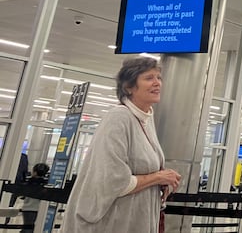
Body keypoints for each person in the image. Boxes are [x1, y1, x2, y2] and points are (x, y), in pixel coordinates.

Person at [61, 57, 181, 232]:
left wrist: (161, 183)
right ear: (129, 87)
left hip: (133, 221)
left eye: (158, 77)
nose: (157, 83)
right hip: (110, 223)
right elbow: (114, 181)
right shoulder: (119, 117)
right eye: (149, 78)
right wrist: (158, 177)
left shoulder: (145, 119)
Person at [20, 162, 49, 233]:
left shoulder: (29, 182)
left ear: (35, 172)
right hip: (40, 209)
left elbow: (22, 195)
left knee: (27, 228)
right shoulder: (45, 184)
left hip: (28, 208)